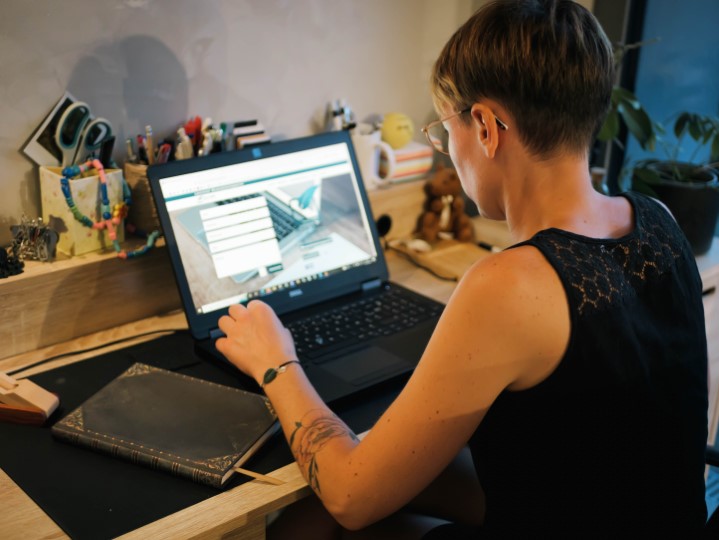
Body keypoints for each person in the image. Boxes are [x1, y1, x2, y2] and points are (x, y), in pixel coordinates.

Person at [216, 0, 709, 537]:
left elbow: (350, 495)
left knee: (312, 520)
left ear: (485, 127)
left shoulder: (512, 285)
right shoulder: (658, 221)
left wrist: (276, 362)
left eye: (442, 130)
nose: (447, 149)